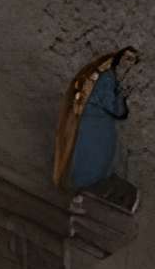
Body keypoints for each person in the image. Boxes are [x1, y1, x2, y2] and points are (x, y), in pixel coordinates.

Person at [53, 47, 140, 194]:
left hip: (94, 120)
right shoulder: (107, 77)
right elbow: (112, 107)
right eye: (127, 57)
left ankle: (84, 186)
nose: (128, 62)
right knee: (98, 151)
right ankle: (84, 186)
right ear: (120, 57)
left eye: (132, 60)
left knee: (95, 152)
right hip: (95, 122)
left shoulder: (109, 76)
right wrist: (121, 96)